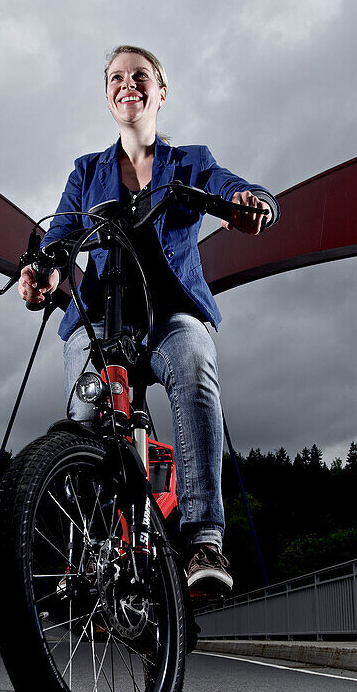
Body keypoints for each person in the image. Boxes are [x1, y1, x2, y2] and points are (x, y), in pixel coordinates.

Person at [19, 45, 277, 596]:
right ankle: (87, 550)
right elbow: (59, 234)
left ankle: (204, 538)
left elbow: (230, 187)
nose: (126, 84)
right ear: (107, 94)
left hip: (171, 316)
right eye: (115, 78)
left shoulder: (190, 162)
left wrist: (248, 204)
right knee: (86, 414)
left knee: (194, 363)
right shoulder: (85, 172)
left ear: (161, 92)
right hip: (103, 322)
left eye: (140, 76)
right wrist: (41, 267)